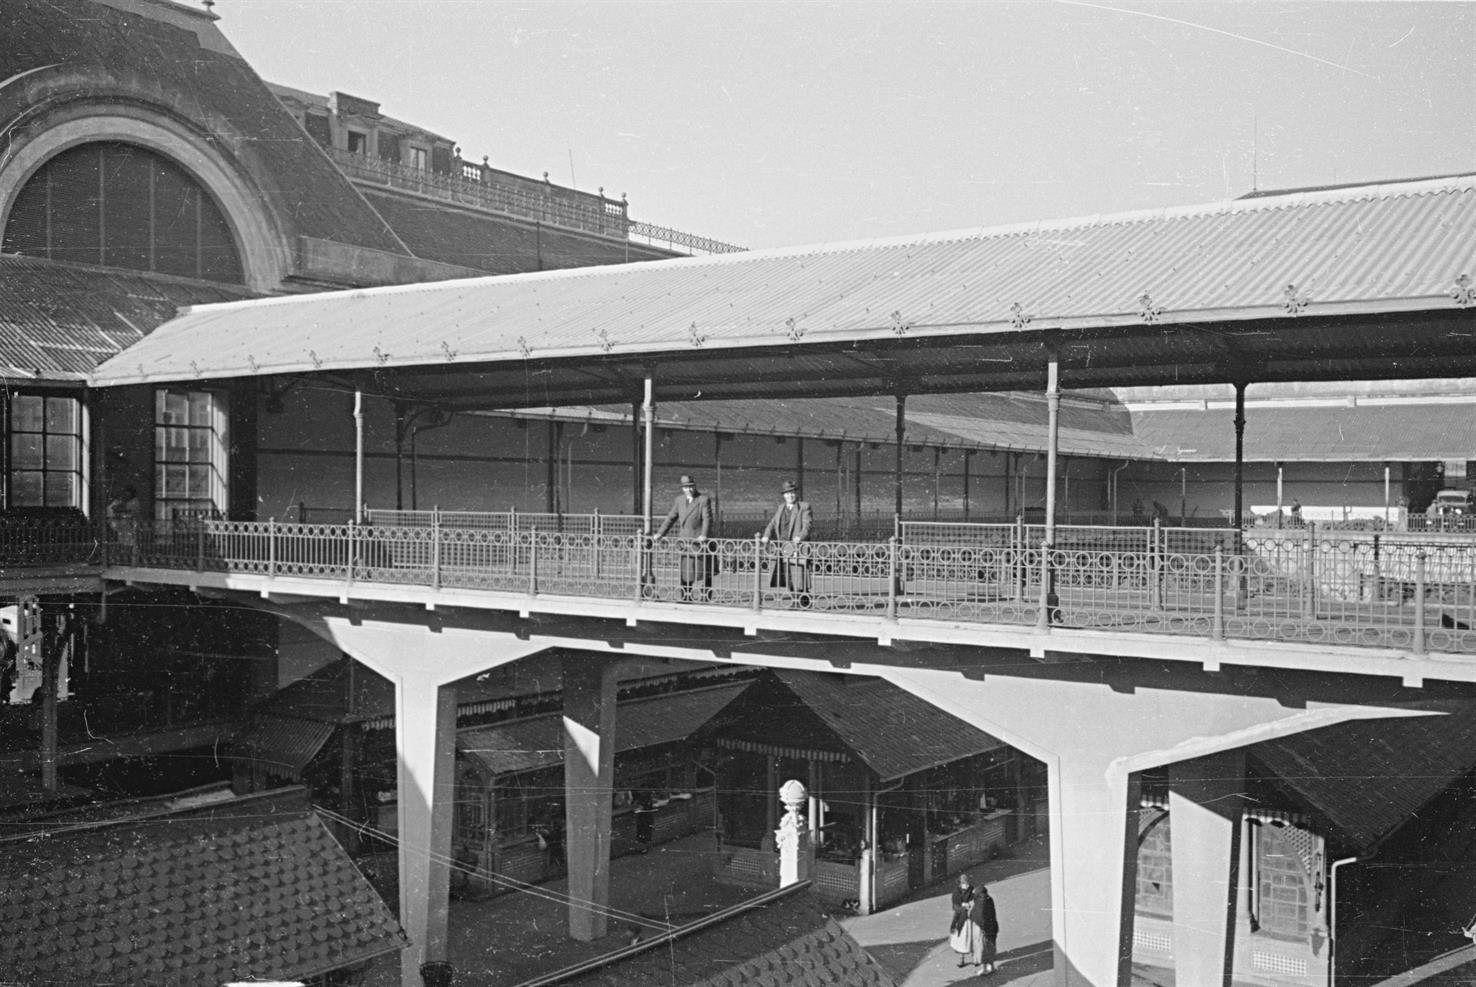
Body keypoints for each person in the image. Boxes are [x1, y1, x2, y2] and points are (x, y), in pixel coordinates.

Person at [653, 474, 716, 602]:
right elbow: (671, 517)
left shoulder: (703, 500)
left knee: (704, 570)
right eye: (686, 487)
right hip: (685, 542)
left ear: (695, 486)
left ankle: (706, 595)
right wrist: (660, 533)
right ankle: (686, 596)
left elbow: (707, 519)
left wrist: (704, 534)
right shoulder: (679, 500)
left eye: (691, 486)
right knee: (686, 571)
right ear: (683, 488)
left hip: (699, 541)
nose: (689, 489)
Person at [760, 480, 813, 606]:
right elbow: (773, 523)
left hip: (797, 547)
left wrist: (799, 537)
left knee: (799, 576)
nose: (790, 496)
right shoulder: (781, 507)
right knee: (787, 575)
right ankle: (795, 600)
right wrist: (766, 535)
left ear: (796, 493)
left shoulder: (804, 507)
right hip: (783, 547)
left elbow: (807, 526)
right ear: (784, 495)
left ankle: (803, 602)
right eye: (787, 493)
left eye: (792, 493)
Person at [949, 873, 983, 970]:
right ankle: (961, 959)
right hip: (961, 919)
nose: (966, 884)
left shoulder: (972, 890)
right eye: (964, 882)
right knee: (961, 938)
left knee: (972, 938)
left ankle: (975, 959)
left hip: (971, 918)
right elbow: (955, 905)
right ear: (960, 883)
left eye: (967, 882)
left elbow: (976, 900)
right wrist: (963, 907)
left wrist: (971, 905)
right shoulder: (956, 892)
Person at [975, 882, 1000, 975]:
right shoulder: (990, 899)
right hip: (992, 927)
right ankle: (992, 967)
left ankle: (984, 969)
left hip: (984, 930)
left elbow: (979, 917)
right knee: (991, 948)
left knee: (983, 949)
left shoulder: (980, 902)